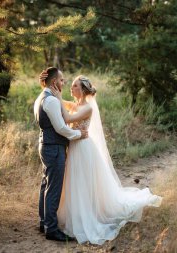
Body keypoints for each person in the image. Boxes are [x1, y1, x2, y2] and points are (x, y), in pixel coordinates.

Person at [46, 74, 162, 245]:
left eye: (75, 86)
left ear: (83, 89)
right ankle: (76, 213)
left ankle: (88, 214)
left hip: (83, 148)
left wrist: (57, 97)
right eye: (71, 85)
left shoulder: (87, 108)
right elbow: (63, 106)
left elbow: (69, 118)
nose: (71, 88)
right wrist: (55, 95)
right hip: (74, 147)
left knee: (83, 182)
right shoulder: (76, 104)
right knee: (75, 182)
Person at [33, 67, 88, 242]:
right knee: (53, 188)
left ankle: (44, 222)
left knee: (46, 184)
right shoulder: (51, 101)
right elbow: (61, 128)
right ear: (55, 82)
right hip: (54, 148)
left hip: (46, 145)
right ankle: (52, 229)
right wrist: (79, 134)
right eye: (62, 80)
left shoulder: (43, 97)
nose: (64, 83)